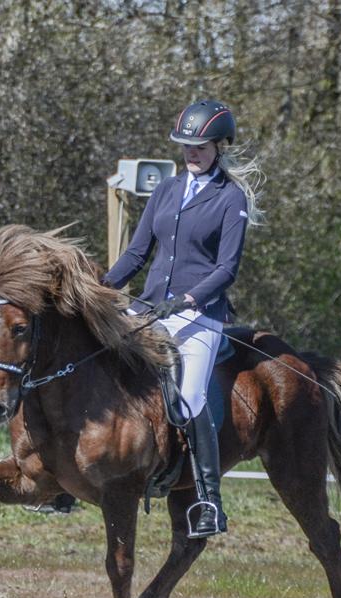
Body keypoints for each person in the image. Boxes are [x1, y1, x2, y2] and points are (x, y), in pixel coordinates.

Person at [100, 99, 263, 538]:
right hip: (151, 306)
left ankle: (210, 502)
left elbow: (227, 268)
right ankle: (72, 475)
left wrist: (190, 298)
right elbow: (137, 253)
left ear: (219, 146)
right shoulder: (167, 190)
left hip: (201, 316)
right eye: (186, 146)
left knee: (189, 398)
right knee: (100, 365)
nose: (192, 154)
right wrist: (101, 288)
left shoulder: (231, 199)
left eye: (201, 147)